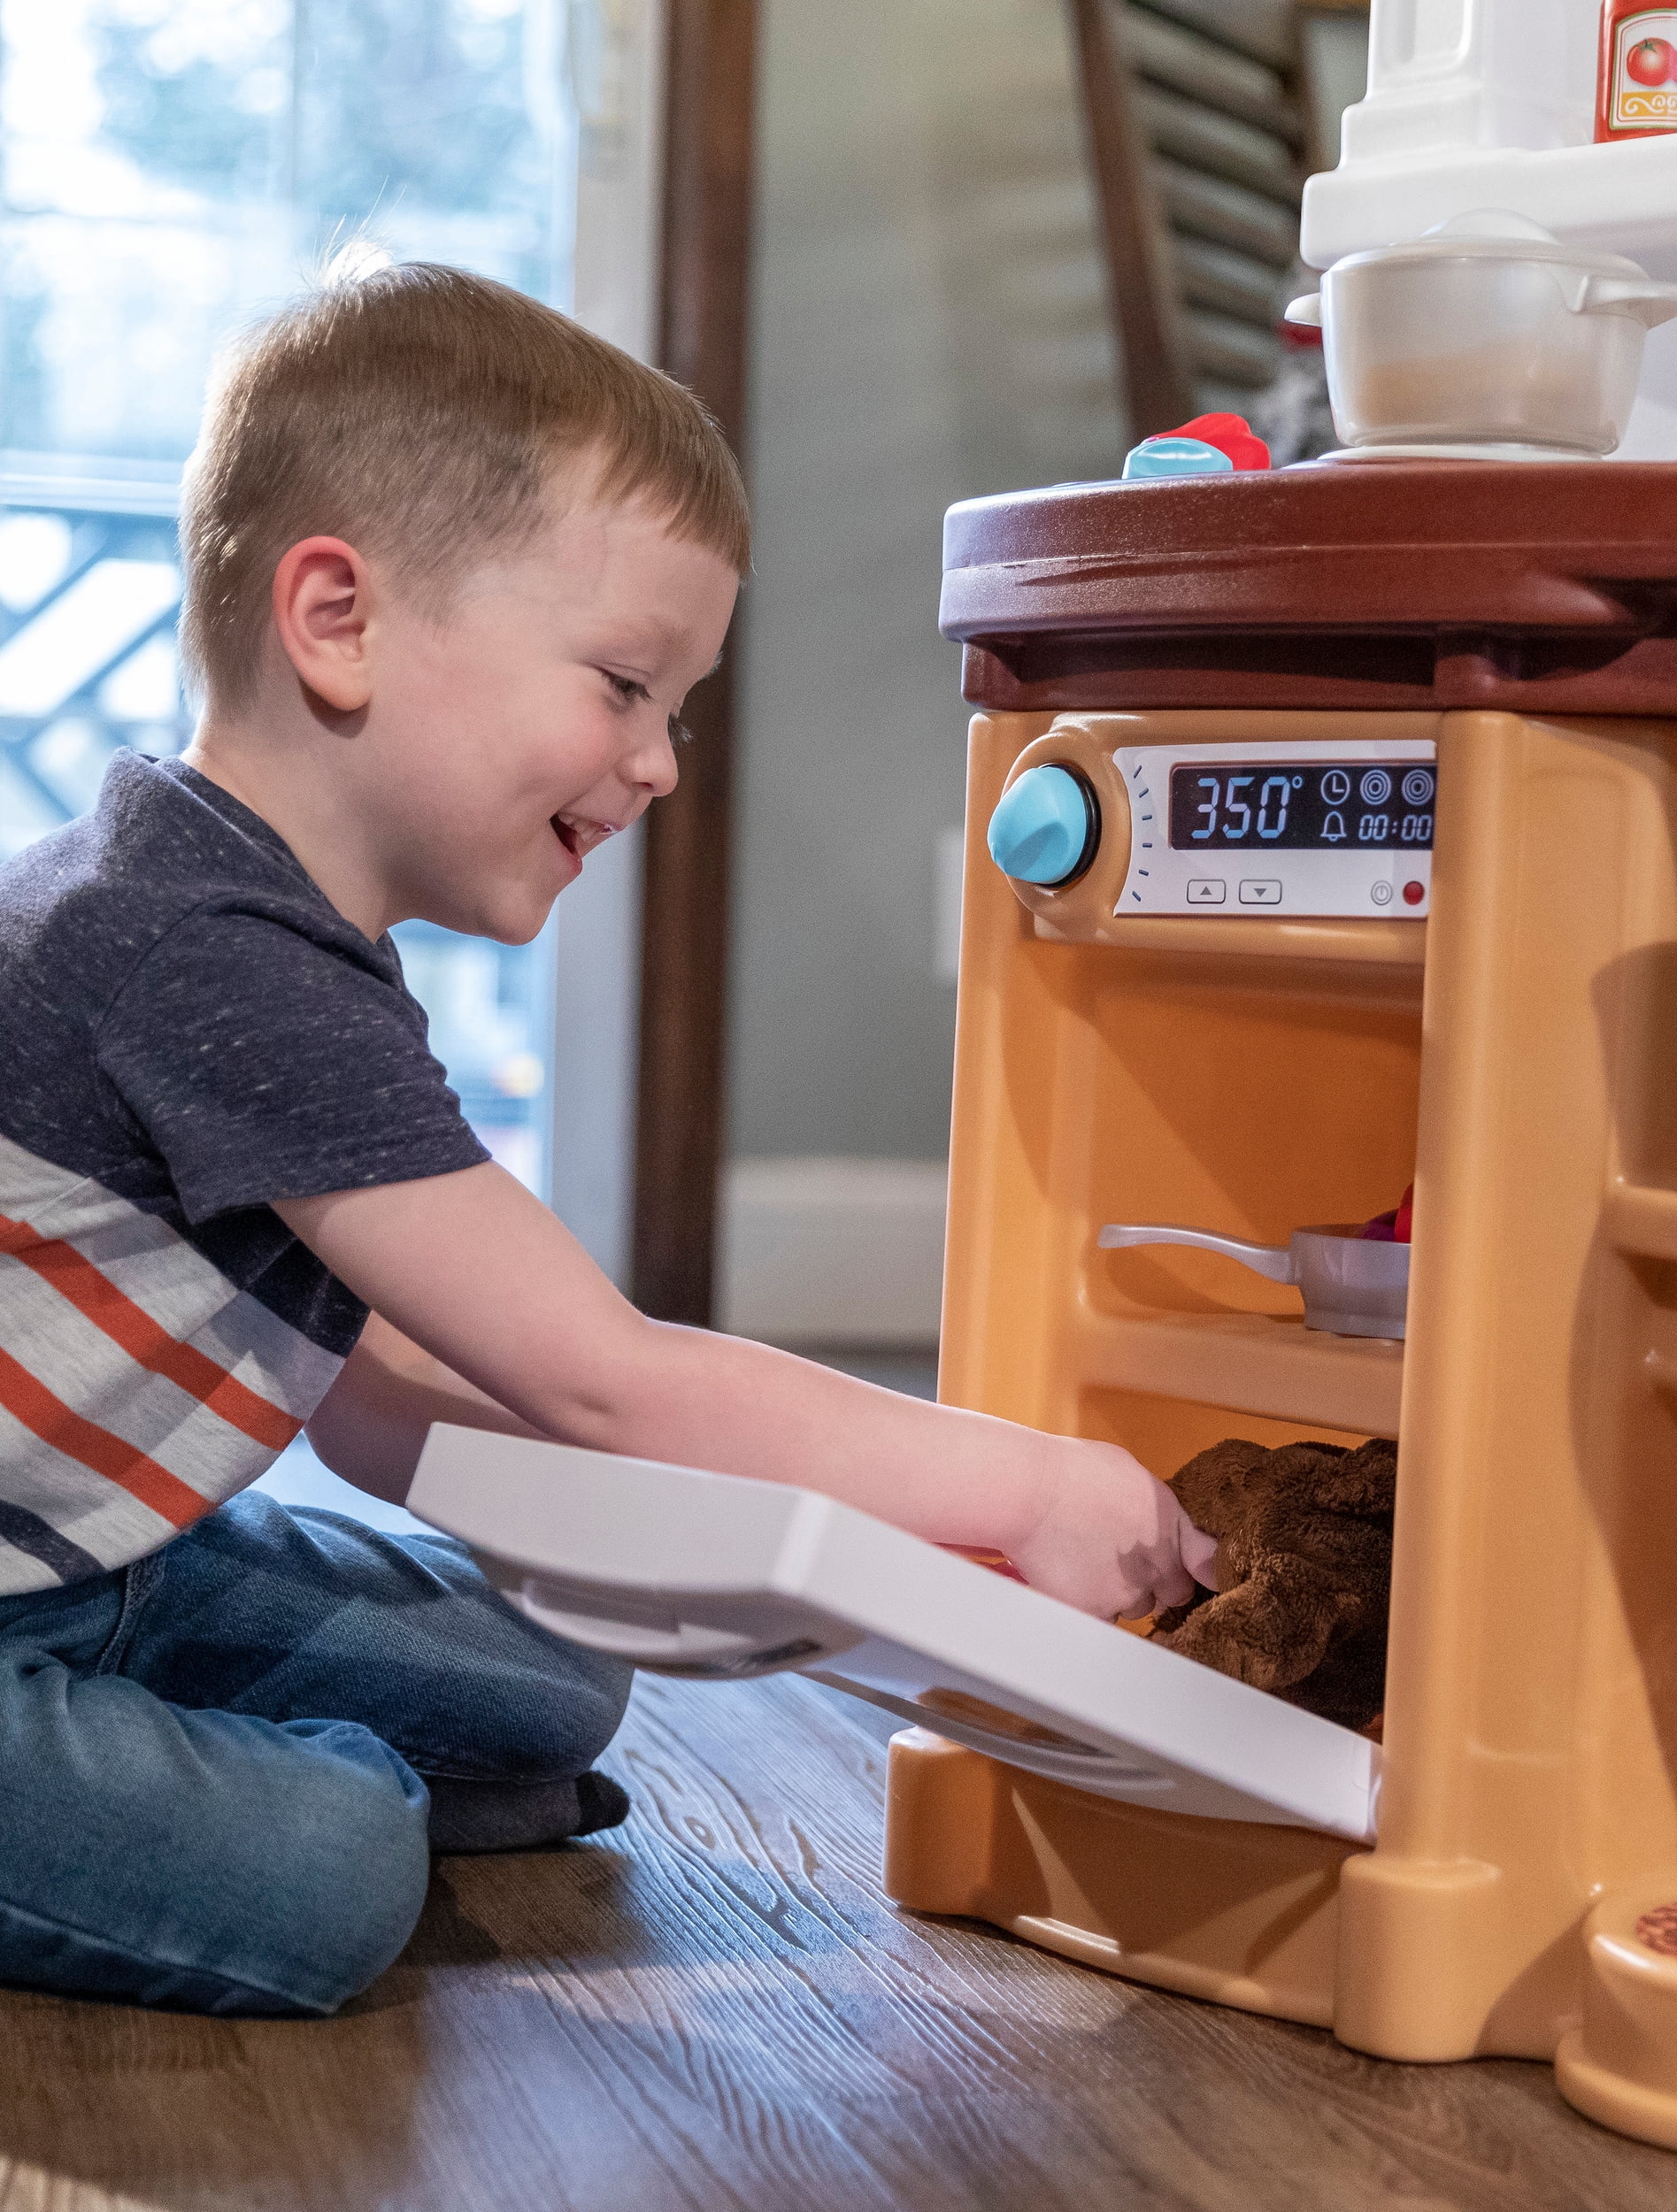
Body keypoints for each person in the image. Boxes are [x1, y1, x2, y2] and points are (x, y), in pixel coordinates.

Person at [0, 260, 1214, 2020]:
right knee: (332, 1868)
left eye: (677, 710)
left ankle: (182, 1775)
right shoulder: (197, 953)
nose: (658, 766)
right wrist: (1023, 1488)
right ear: (335, 619)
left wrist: (807, 1537)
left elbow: (382, 1401)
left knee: (548, 1685)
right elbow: (599, 1378)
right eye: (623, 684)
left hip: (87, 1566)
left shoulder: (253, 930)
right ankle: (247, 1808)